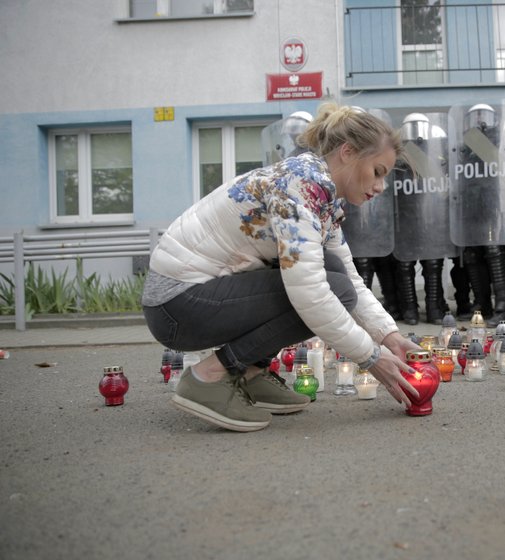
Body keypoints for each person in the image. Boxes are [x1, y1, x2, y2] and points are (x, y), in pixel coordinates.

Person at [142, 102, 420, 432]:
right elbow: (311, 293)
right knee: (329, 288)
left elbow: (350, 279)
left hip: (193, 298)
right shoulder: (301, 186)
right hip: (177, 306)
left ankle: (250, 373)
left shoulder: (320, 195)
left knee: (333, 271)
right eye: (378, 172)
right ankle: (209, 377)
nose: (380, 186)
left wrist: (390, 336)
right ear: (348, 152)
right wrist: (370, 358)